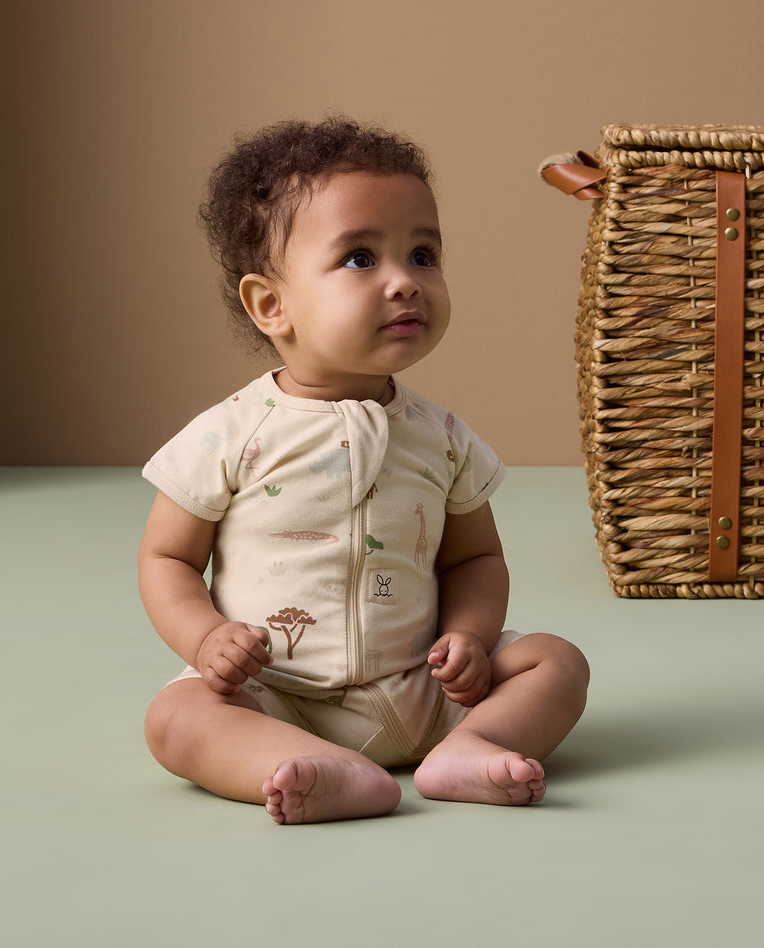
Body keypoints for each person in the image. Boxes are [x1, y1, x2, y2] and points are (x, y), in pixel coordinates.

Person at [138, 117, 589, 825]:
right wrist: (204, 639)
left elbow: (476, 559)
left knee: (556, 661)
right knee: (175, 716)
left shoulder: (442, 437)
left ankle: (469, 747)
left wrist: (471, 637)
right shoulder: (230, 434)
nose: (404, 282)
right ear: (271, 305)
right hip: (278, 696)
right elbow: (167, 558)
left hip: (423, 689)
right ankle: (315, 767)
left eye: (422, 254)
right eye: (359, 258)